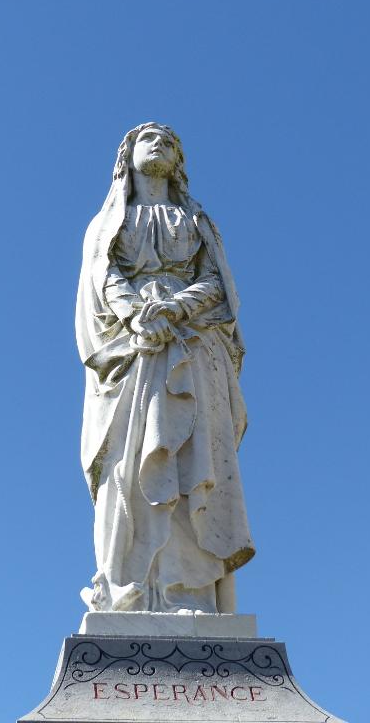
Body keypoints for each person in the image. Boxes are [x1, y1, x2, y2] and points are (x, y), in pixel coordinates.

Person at [75, 123, 255, 614]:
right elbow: (102, 275)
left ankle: (187, 590)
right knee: (130, 468)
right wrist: (136, 312)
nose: (158, 143)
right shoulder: (109, 221)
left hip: (194, 345)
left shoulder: (195, 221)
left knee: (191, 463)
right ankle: (127, 591)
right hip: (133, 351)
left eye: (169, 140)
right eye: (145, 138)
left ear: (178, 162)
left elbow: (218, 282)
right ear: (125, 156)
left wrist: (176, 308)